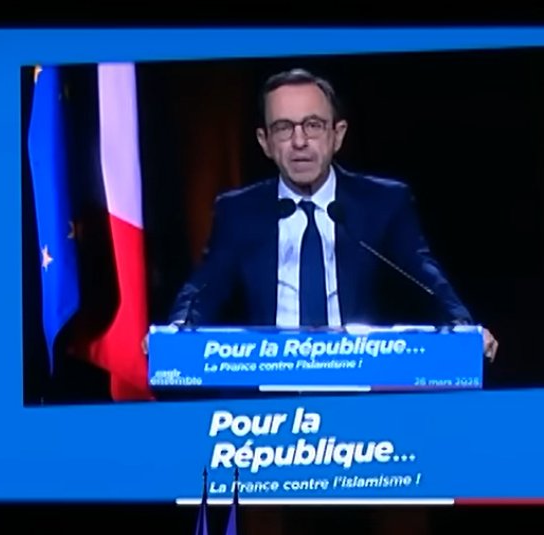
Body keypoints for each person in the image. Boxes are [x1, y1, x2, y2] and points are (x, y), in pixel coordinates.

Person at [166, 69, 498, 362]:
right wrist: (177, 330)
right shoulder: (238, 211)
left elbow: (426, 279)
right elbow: (203, 290)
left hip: (360, 383)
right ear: (264, 142)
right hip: (266, 388)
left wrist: (463, 327)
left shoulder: (383, 203)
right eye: (283, 128)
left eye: (313, 125)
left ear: (337, 135)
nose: (299, 141)